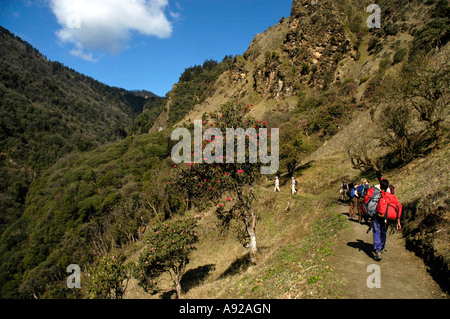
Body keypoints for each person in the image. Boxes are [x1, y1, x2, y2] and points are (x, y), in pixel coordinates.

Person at [372, 178, 390, 261]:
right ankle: (382, 247)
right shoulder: (390, 196)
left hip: (377, 217)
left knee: (376, 232)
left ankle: (378, 250)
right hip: (386, 217)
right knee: (384, 232)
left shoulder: (377, 195)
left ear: (380, 186)